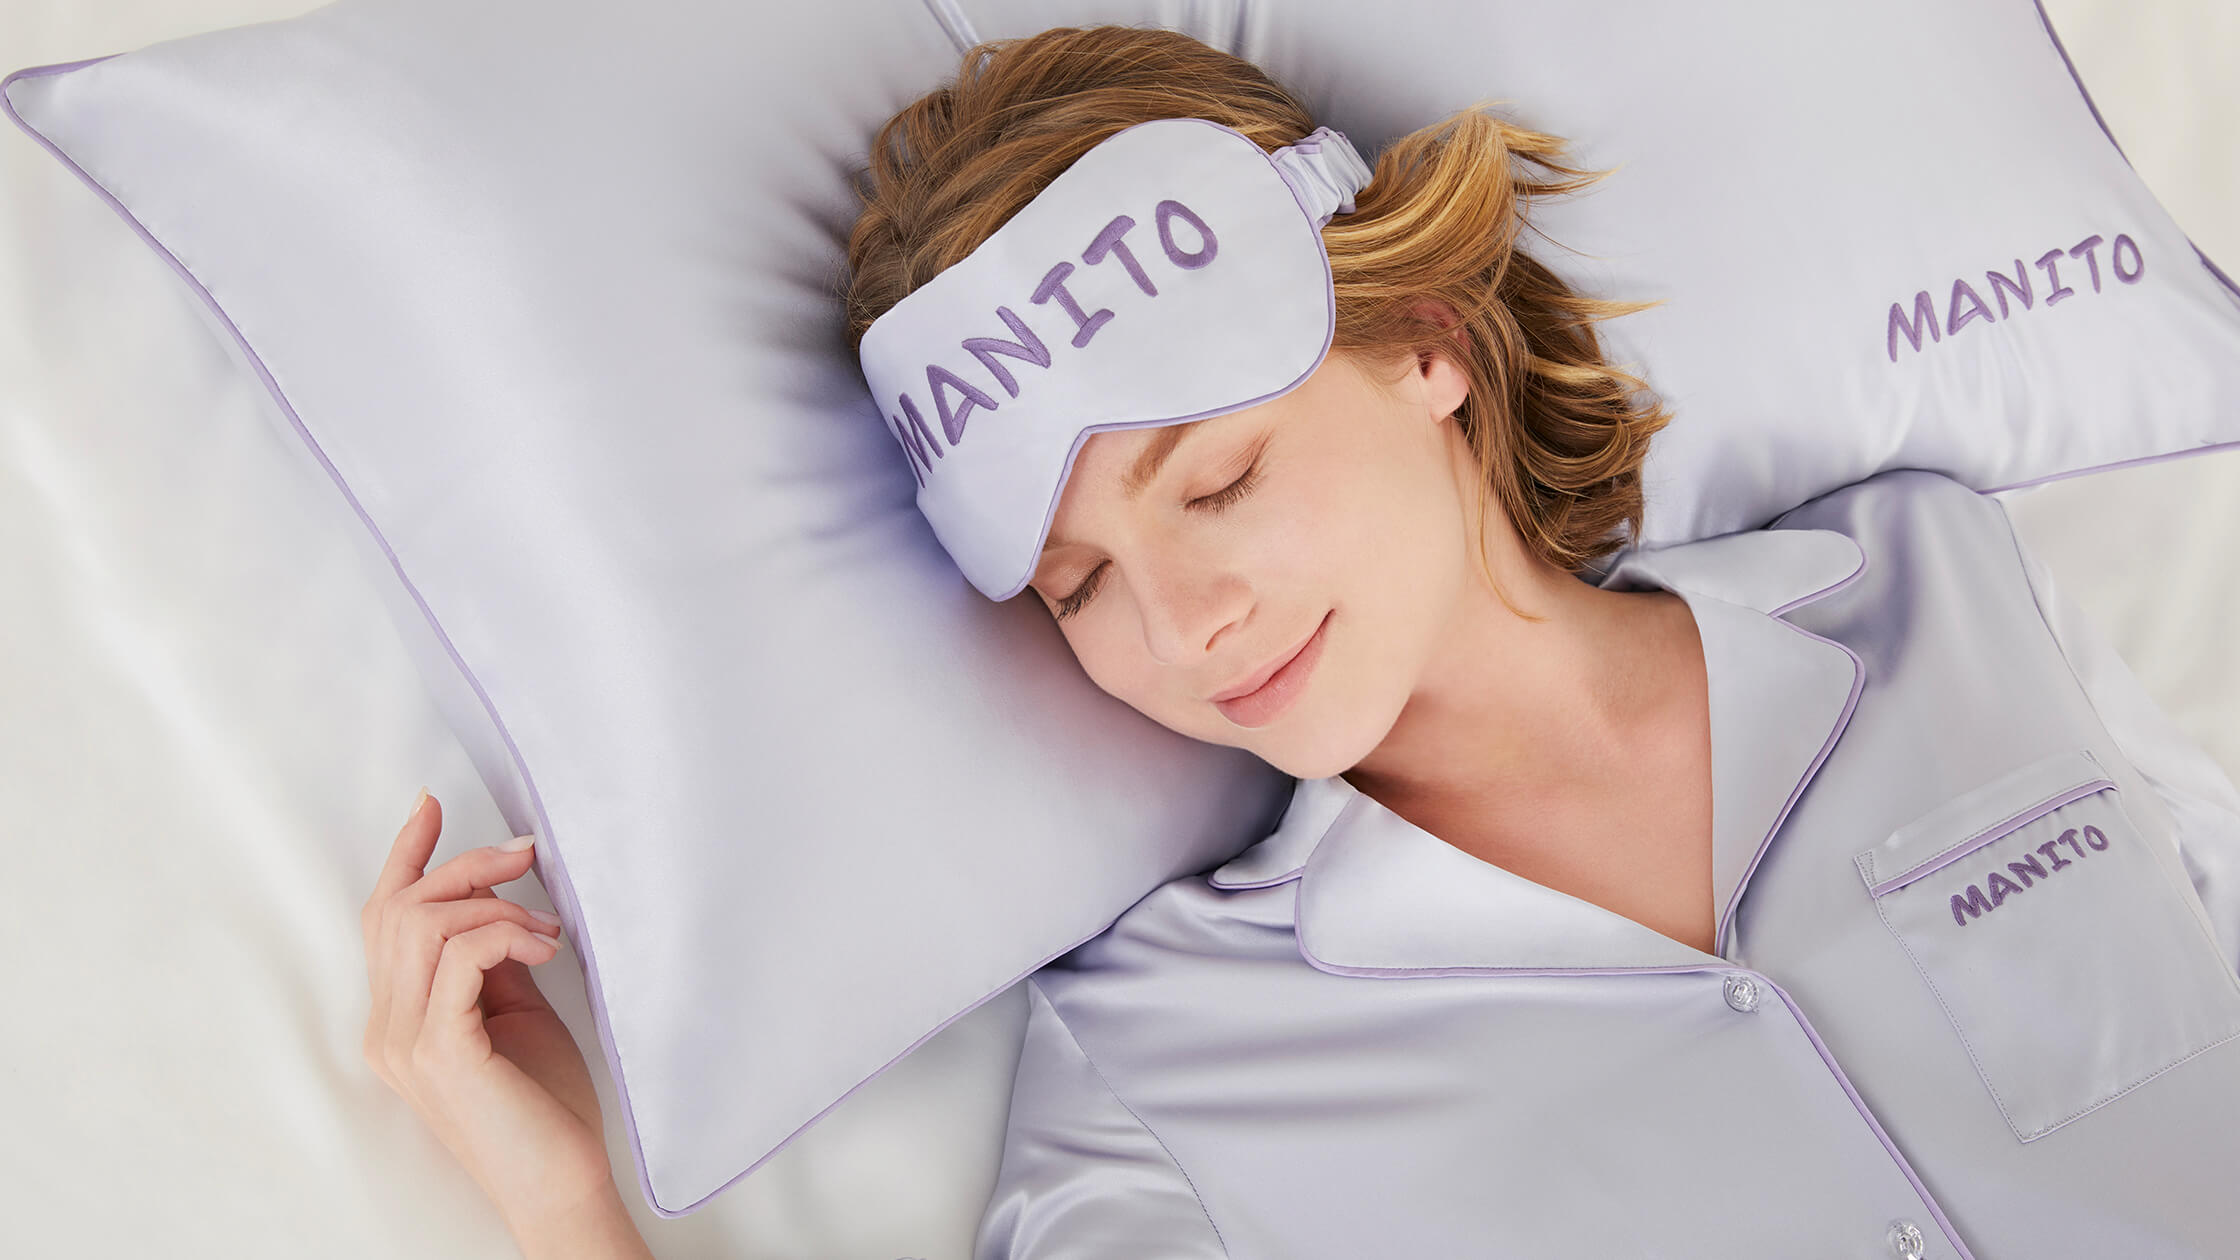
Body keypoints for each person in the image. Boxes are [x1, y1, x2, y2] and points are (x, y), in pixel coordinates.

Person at [360, 24, 2240, 1259]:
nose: (1184, 625)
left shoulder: (1944, 589)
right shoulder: (1166, 1064)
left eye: (1220, 479)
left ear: (1426, 341)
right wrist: (564, 1215)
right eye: (1077, 586)